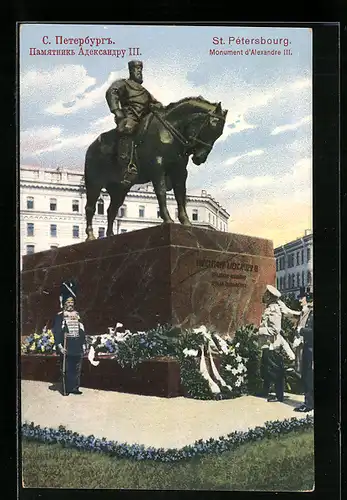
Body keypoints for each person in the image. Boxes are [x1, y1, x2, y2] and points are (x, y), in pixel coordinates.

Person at [105, 60, 164, 186]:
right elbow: (111, 92)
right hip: (129, 118)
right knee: (128, 128)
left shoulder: (144, 91)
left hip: (144, 120)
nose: (139, 72)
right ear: (131, 71)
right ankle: (126, 167)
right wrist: (117, 111)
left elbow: (154, 102)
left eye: (140, 70)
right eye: (136, 70)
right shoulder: (123, 84)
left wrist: (158, 106)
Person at [258, 284, 298, 402]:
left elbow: (275, 329)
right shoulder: (269, 307)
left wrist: (259, 331)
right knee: (266, 368)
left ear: (270, 296)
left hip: (272, 344)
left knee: (275, 370)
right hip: (267, 344)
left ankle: (278, 395)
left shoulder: (274, 309)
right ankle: (266, 391)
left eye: (266, 294)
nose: (264, 295)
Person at [52, 280, 87, 396]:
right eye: (68, 302)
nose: (70, 304)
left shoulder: (77, 315)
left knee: (77, 368)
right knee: (66, 368)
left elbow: (82, 330)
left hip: (76, 345)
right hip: (66, 345)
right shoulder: (60, 316)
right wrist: (59, 346)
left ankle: (75, 387)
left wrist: (83, 343)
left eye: (72, 302)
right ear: (64, 303)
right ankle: (66, 388)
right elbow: (56, 332)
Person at [294, 295, 314, 412]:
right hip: (308, 347)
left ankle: (309, 404)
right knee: (307, 375)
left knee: (308, 375)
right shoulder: (309, 312)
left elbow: (313, 332)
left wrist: (301, 330)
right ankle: (309, 402)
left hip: (311, 348)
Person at [292, 287, 313, 376]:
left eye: (302, 298)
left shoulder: (309, 311)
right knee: (300, 366)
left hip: (306, 343)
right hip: (300, 344)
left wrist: (300, 331)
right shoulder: (303, 312)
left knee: (306, 368)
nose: (299, 300)